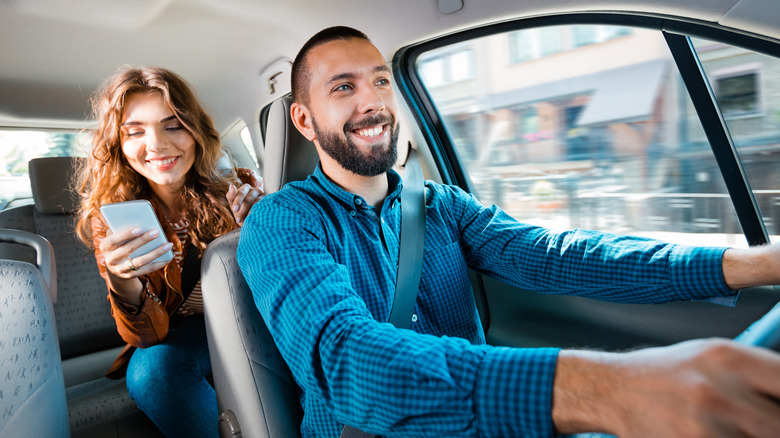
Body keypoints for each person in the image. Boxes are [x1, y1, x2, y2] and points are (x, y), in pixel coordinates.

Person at [237, 26, 780, 437]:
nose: (372, 100)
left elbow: (558, 256)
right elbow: (345, 358)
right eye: (343, 87)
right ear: (305, 121)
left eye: (380, 79)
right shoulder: (282, 222)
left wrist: (756, 262)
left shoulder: (439, 204)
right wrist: (609, 388)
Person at [75, 65, 263, 438]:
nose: (157, 145)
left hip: (247, 315)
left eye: (173, 124)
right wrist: (121, 278)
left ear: (196, 131)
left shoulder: (238, 187)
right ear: (118, 145)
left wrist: (258, 229)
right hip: (181, 332)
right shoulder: (110, 219)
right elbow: (147, 337)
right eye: (135, 131)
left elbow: (274, 282)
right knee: (151, 371)